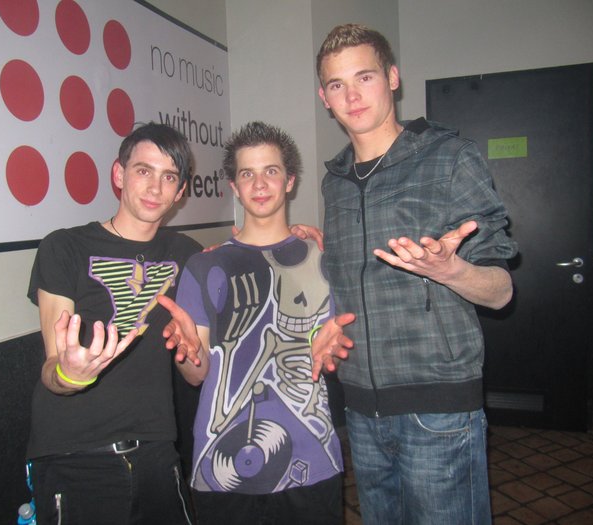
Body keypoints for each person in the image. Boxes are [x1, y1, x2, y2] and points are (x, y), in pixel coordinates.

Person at [311, 24, 518, 525]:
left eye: (365, 77)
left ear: (392, 78)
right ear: (324, 98)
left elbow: (501, 292)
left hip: (438, 409)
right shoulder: (335, 183)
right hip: (362, 410)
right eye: (337, 84)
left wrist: (451, 269)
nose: (352, 95)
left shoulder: (449, 158)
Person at [156, 121, 355, 525]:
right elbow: (196, 375)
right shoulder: (204, 266)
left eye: (271, 171)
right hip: (222, 468)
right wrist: (188, 353)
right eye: (247, 174)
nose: (260, 184)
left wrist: (338, 352)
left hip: (312, 458)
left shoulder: (326, 260)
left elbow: (340, 351)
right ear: (234, 186)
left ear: (289, 181)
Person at [26, 122, 201, 525]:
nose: (155, 187)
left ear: (180, 192)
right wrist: (71, 375)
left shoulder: (188, 255)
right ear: (119, 175)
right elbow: (52, 370)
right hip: (74, 456)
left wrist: (304, 236)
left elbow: (194, 374)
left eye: (169, 177)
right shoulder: (65, 247)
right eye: (143, 170)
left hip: (157, 453)